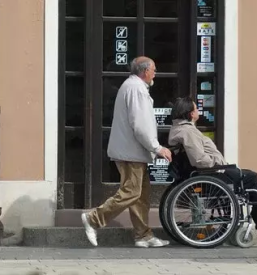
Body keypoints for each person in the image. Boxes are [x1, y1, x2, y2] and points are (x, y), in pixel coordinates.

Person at [81, 56, 172, 247]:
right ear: (145, 71)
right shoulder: (136, 89)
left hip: (133, 151)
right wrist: (157, 147)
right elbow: (141, 125)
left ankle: (143, 235)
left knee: (140, 196)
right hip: (131, 152)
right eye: (154, 69)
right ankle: (93, 219)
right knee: (131, 192)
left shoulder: (133, 87)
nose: (155, 73)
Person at [168, 97, 257, 226]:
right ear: (191, 114)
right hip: (209, 173)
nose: (198, 111)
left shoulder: (180, 129)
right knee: (253, 179)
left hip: (208, 173)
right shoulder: (188, 132)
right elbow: (199, 159)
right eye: (196, 109)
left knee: (249, 175)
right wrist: (217, 164)